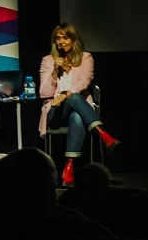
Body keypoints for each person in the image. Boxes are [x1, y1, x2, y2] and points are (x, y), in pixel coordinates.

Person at [38, 22, 121, 187]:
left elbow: (84, 82)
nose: (61, 42)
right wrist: (54, 71)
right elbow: (44, 93)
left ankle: (69, 169)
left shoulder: (86, 58)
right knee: (75, 99)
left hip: (79, 110)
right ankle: (102, 134)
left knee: (76, 116)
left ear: (73, 40)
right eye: (58, 39)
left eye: (65, 38)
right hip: (56, 112)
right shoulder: (48, 60)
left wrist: (65, 95)